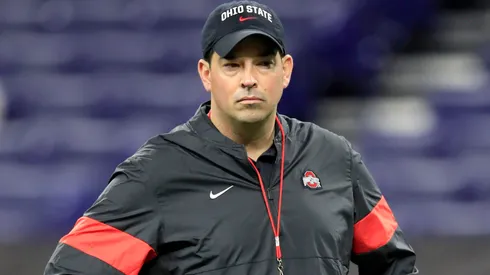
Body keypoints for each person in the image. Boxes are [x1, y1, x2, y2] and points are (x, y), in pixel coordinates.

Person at [44, 1, 418, 274]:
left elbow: (395, 265)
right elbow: (71, 270)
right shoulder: (157, 171)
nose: (249, 79)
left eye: (264, 63)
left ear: (285, 71)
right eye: (233, 64)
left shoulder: (335, 158)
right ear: (206, 74)